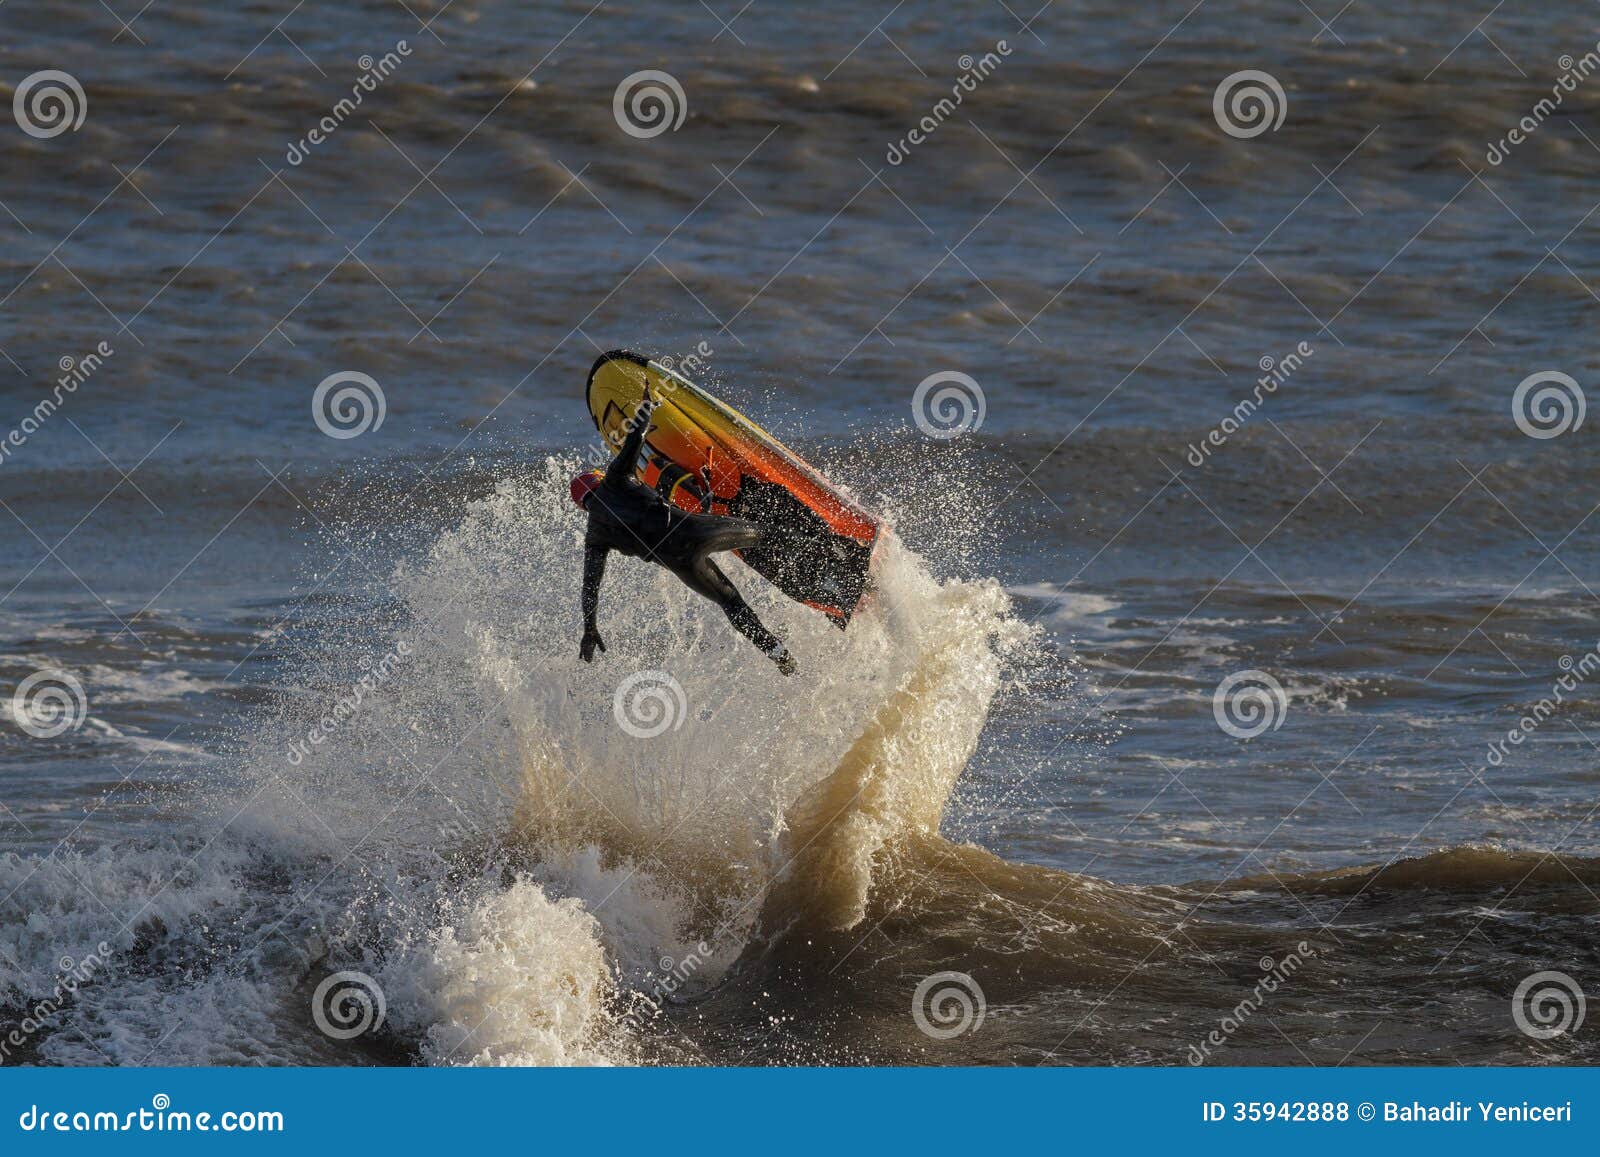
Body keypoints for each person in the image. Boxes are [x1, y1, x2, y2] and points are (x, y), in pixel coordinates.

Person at [572, 385, 797, 675]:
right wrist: (647, 404)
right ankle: (831, 548)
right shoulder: (614, 479)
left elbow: (590, 587)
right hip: (694, 531)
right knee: (767, 534)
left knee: (730, 602)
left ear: (583, 507)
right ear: (597, 479)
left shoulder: (595, 537)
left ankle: (781, 656)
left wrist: (590, 628)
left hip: (682, 564)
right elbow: (636, 437)